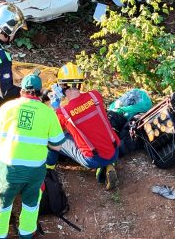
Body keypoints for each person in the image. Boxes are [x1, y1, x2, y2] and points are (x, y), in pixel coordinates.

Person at [0, 73, 65, 239]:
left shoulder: (7, 107)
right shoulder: (48, 113)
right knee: (31, 204)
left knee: (2, 204)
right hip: (35, 171)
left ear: (22, 91)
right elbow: (57, 145)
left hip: (8, 168)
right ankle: (26, 234)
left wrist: (0, 157)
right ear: (39, 92)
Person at [46, 62, 120, 190]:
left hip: (92, 159)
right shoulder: (95, 96)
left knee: (51, 140)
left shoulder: (63, 112)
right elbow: (83, 106)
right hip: (114, 151)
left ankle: (48, 170)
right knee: (85, 130)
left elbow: (53, 130)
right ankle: (108, 165)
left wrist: (56, 107)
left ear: (62, 85)